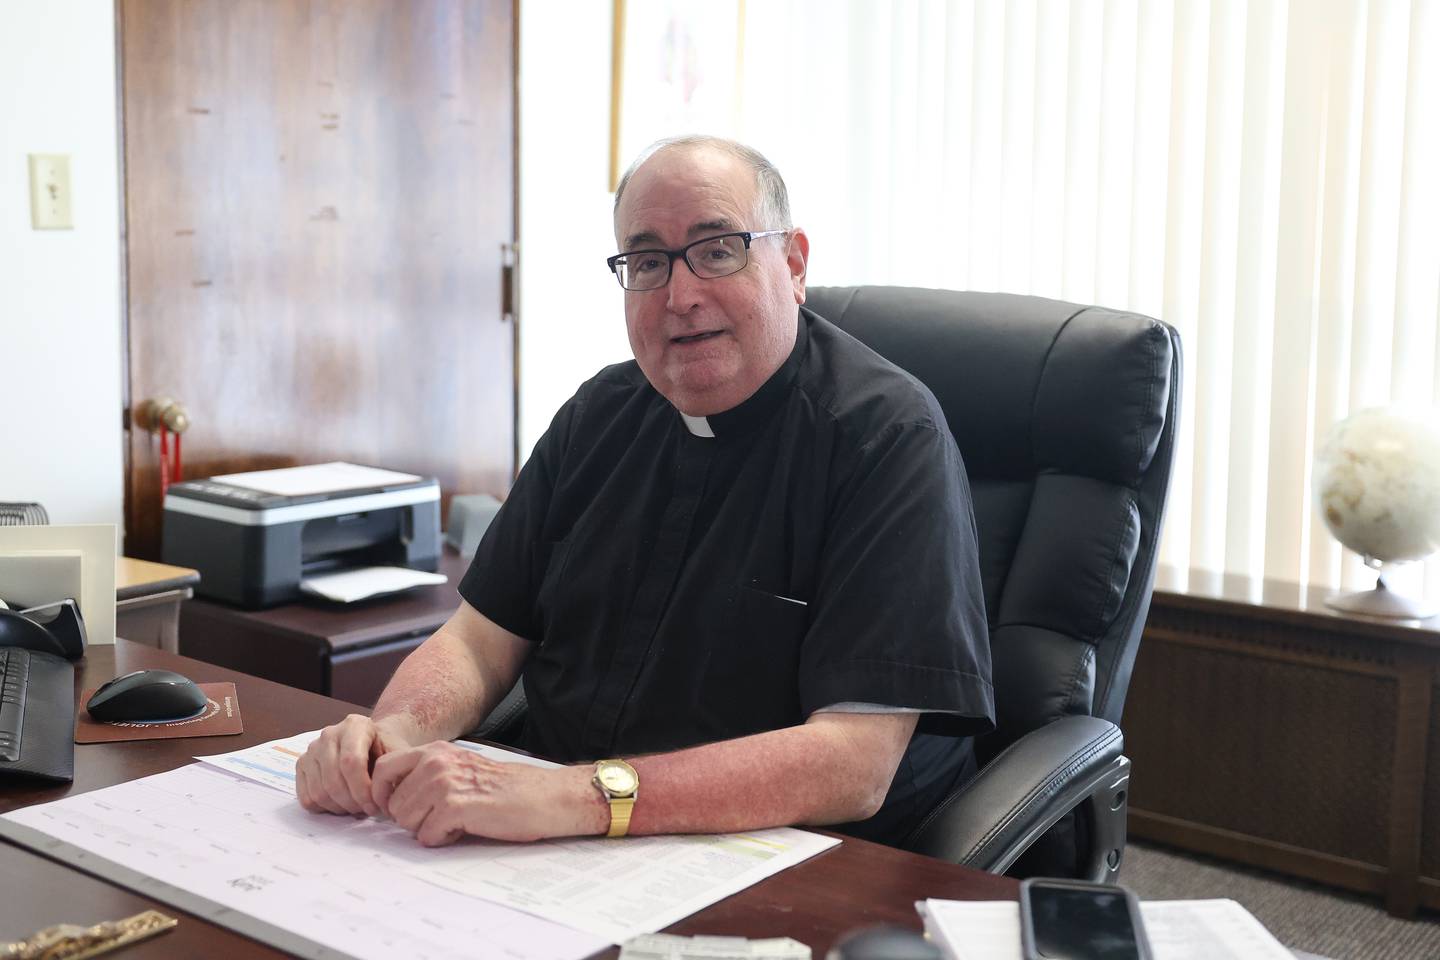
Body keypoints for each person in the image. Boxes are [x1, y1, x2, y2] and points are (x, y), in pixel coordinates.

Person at [295, 135, 994, 848]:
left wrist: (577, 798)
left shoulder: (888, 437)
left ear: (793, 263)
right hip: (558, 837)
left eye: (718, 249)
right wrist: (390, 734)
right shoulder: (599, 414)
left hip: (786, 855)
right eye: (649, 261)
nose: (680, 296)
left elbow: (855, 762)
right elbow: (478, 642)